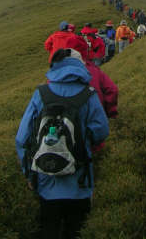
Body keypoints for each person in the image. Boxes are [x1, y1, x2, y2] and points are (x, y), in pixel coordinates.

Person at [15, 45, 109, 239]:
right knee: (76, 231)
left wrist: (29, 174)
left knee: (49, 229)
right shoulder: (89, 94)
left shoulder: (41, 94)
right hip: (80, 183)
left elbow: (22, 138)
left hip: (46, 183)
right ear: (80, 66)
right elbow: (101, 131)